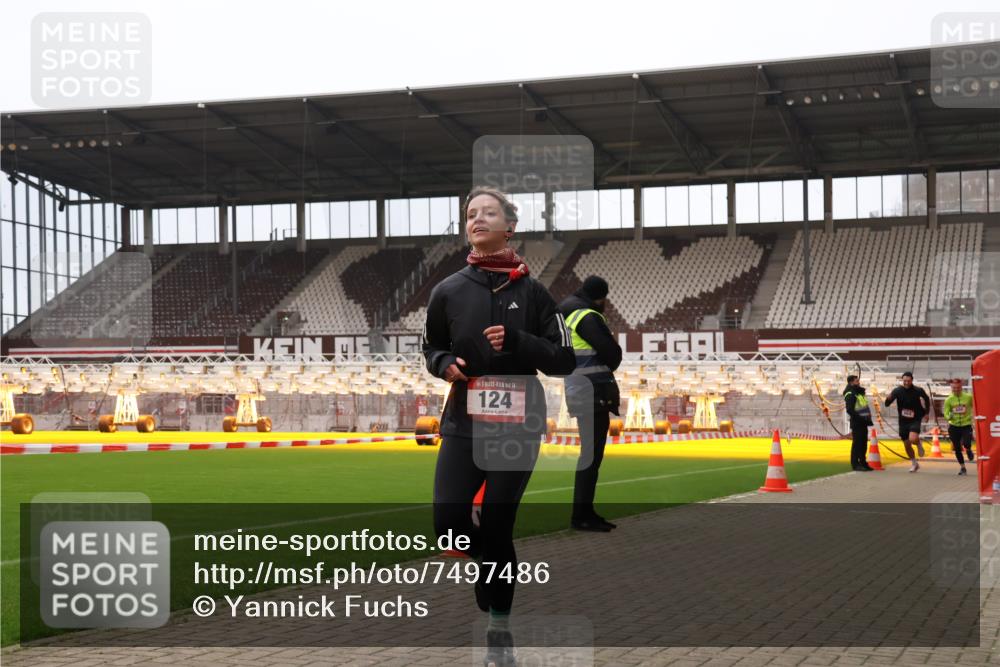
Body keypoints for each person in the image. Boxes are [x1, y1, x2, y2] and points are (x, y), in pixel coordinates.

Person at [423, 186, 575, 667]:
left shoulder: (534, 292)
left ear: (510, 225)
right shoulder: (446, 291)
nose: (477, 219)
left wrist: (519, 341)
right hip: (463, 422)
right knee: (449, 525)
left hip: (517, 426)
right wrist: (444, 362)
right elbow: (430, 349)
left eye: (489, 212)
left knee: (498, 525)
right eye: (471, 214)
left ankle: (499, 630)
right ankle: (489, 566)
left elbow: (565, 359)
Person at [558, 275, 622, 531]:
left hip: (580, 388)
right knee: (591, 456)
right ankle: (581, 515)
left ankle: (585, 512)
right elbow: (612, 354)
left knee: (590, 455)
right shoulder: (586, 315)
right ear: (601, 297)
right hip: (593, 390)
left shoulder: (566, 311)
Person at [884, 371, 931, 473]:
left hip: (915, 418)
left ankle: (918, 443)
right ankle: (914, 463)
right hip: (903, 421)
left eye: (908, 381)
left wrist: (927, 413)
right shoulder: (897, 391)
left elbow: (927, 399)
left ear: (912, 380)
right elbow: (887, 404)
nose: (906, 383)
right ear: (902, 380)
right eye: (904, 381)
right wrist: (887, 399)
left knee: (912, 438)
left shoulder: (918, 390)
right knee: (907, 445)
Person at [943, 377, 975, 475]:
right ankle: (963, 468)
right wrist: (949, 416)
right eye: (954, 388)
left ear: (961, 387)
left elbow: (976, 406)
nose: (956, 390)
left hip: (966, 425)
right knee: (957, 448)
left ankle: (969, 450)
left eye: (958, 388)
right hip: (954, 426)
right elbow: (946, 414)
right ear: (951, 388)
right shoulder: (948, 400)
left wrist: (974, 417)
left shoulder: (968, 397)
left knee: (966, 443)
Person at [843, 375, 874, 471]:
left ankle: (863, 463)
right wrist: (860, 418)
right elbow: (850, 409)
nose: (859, 382)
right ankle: (855, 464)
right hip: (857, 422)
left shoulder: (858, 393)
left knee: (863, 443)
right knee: (857, 444)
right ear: (851, 382)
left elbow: (863, 406)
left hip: (863, 422)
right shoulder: (850, 393)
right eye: (857, 381)